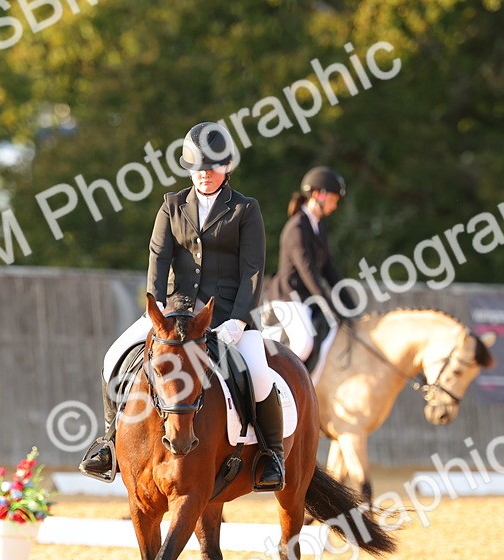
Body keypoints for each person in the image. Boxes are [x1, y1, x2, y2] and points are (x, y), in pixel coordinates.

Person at [79, 121, 285, 491]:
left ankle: (271, 455)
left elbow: (253, 271)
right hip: (172, 313)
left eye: (212, 167)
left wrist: (238, 319)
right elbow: (158, 257)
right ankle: (108, 442)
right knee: (113, 358)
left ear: (228, 168)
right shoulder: (172, 205)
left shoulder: (245, 210)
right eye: (198, 167)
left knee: (258, 374)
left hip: (225, 315)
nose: (204, 174)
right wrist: (155, 306)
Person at [263, 166, 347, 373]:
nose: (335, 206)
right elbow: (308, 271)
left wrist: (348, 305)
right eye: (333, 200)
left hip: (304, 299)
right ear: (319, 194)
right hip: (286, 299)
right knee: (303, 343)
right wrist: (327, 303)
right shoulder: (297, 227)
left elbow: (329, 269)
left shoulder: (318, 227)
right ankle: (282, 385)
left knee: (333, 332)